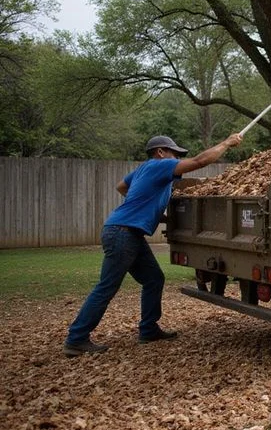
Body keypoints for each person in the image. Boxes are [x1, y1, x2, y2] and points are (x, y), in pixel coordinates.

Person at [63, 133, 243, 357]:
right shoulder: (160, 166)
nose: (176, 158)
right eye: (174, 154)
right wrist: (227, 143)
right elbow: (199, 162)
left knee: (153, 278)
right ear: (160, 153)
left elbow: (121, 186)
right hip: (122, 233)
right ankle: (76, 338)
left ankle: (148, 329)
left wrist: (146, 208)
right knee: (106, 287)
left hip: (126, 232)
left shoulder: (143, 170)